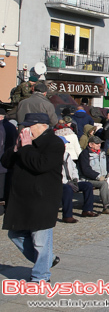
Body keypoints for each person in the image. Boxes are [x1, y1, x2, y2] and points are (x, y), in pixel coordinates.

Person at [1, 113, 64, 282]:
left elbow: (40, 165)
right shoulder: (24, 143)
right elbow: (6, 162)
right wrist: (15, 148)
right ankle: (47, 260)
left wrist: (27, 147)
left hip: (42, 198)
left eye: (30, 126)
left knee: (40, 240)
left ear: (43, 125)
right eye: (24, 126)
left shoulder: (54, 143)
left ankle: (41, 276)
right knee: (15, 233)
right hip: (21, 199)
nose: (26, 129)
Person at [60, 147, 98, 223]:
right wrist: (66, 182)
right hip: (60, 183)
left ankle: (87, 210)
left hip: (71, 180)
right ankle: (67, 215)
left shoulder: (67, 155)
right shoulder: (52, 156)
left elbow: (74, 168)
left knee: (88, 185)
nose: (64, 146)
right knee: (67, 189)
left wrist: (75, 179)